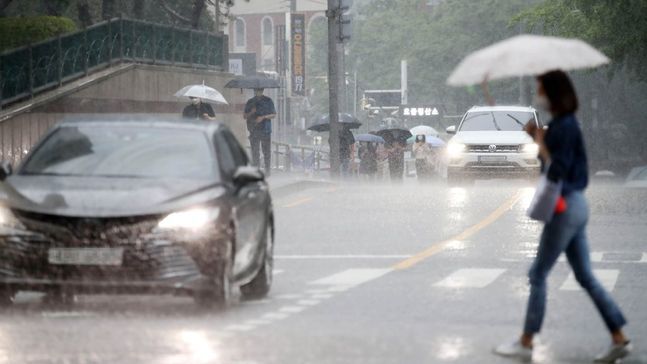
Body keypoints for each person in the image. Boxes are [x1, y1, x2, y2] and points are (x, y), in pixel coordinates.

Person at [494, 70, 632, 363]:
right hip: (577, 205)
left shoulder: (564, 127)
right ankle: (618, 336)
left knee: (538, 273)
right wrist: (538, 138)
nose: (538, 94)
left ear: (553, 94)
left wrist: (540, 143)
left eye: (541, 89)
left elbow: (558, 170)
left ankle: (526, 341)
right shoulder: (562, 125)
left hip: (565, 206)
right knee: (584, 276)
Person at [244, 88, 276, 175]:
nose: (258, 92)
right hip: (253, 130)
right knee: (255, 152)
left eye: (260, 90)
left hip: (265, 130)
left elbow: (273, 114)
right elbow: (245, 116)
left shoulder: (268, 101)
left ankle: (267, 171)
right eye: (257, 90)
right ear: (255, 91)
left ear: (262, 91)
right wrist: (251, 112)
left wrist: (263, 117)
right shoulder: (250, 102)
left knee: (266, 152)